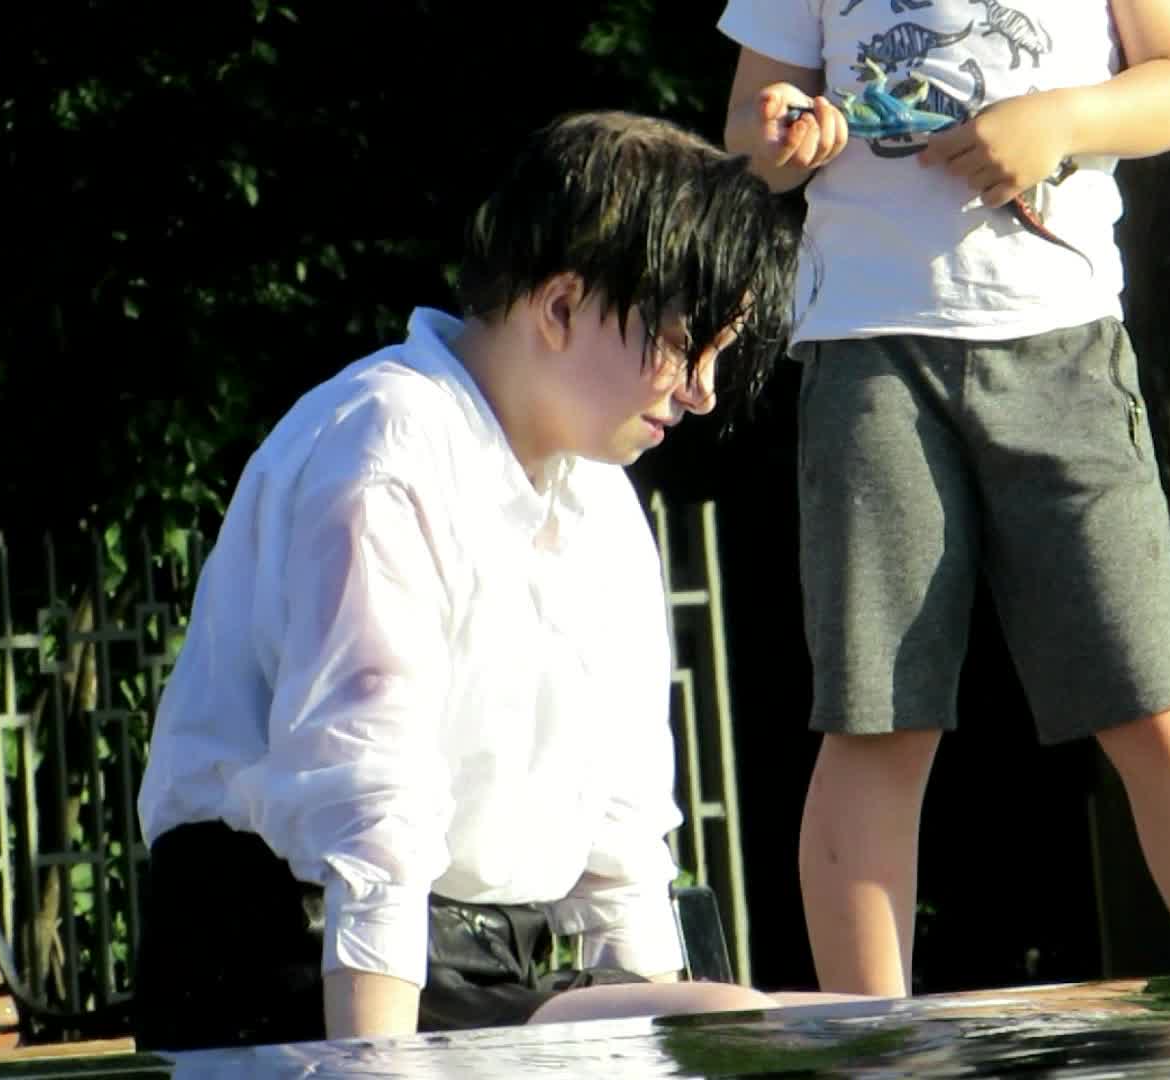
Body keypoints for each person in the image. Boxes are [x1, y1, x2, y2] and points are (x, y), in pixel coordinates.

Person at [132, 109, 837, 1050]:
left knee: (785, 1032)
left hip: (485, 966)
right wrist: (374, 1071)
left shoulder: (601, 500)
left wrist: (669, 1053)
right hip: (288, 959)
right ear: (560, 307)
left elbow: (622, 838)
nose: (702, 389)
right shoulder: (386, 447)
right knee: (749, 1029)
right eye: (684, 341)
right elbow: (369, 814)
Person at [715, 0, 1170, 996]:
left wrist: (1059, 120)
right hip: (867, 350)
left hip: (1065, 343)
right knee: (875, 717)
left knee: (1158, 699)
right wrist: (783, 137)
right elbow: (747, 144)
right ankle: (874, 1048)